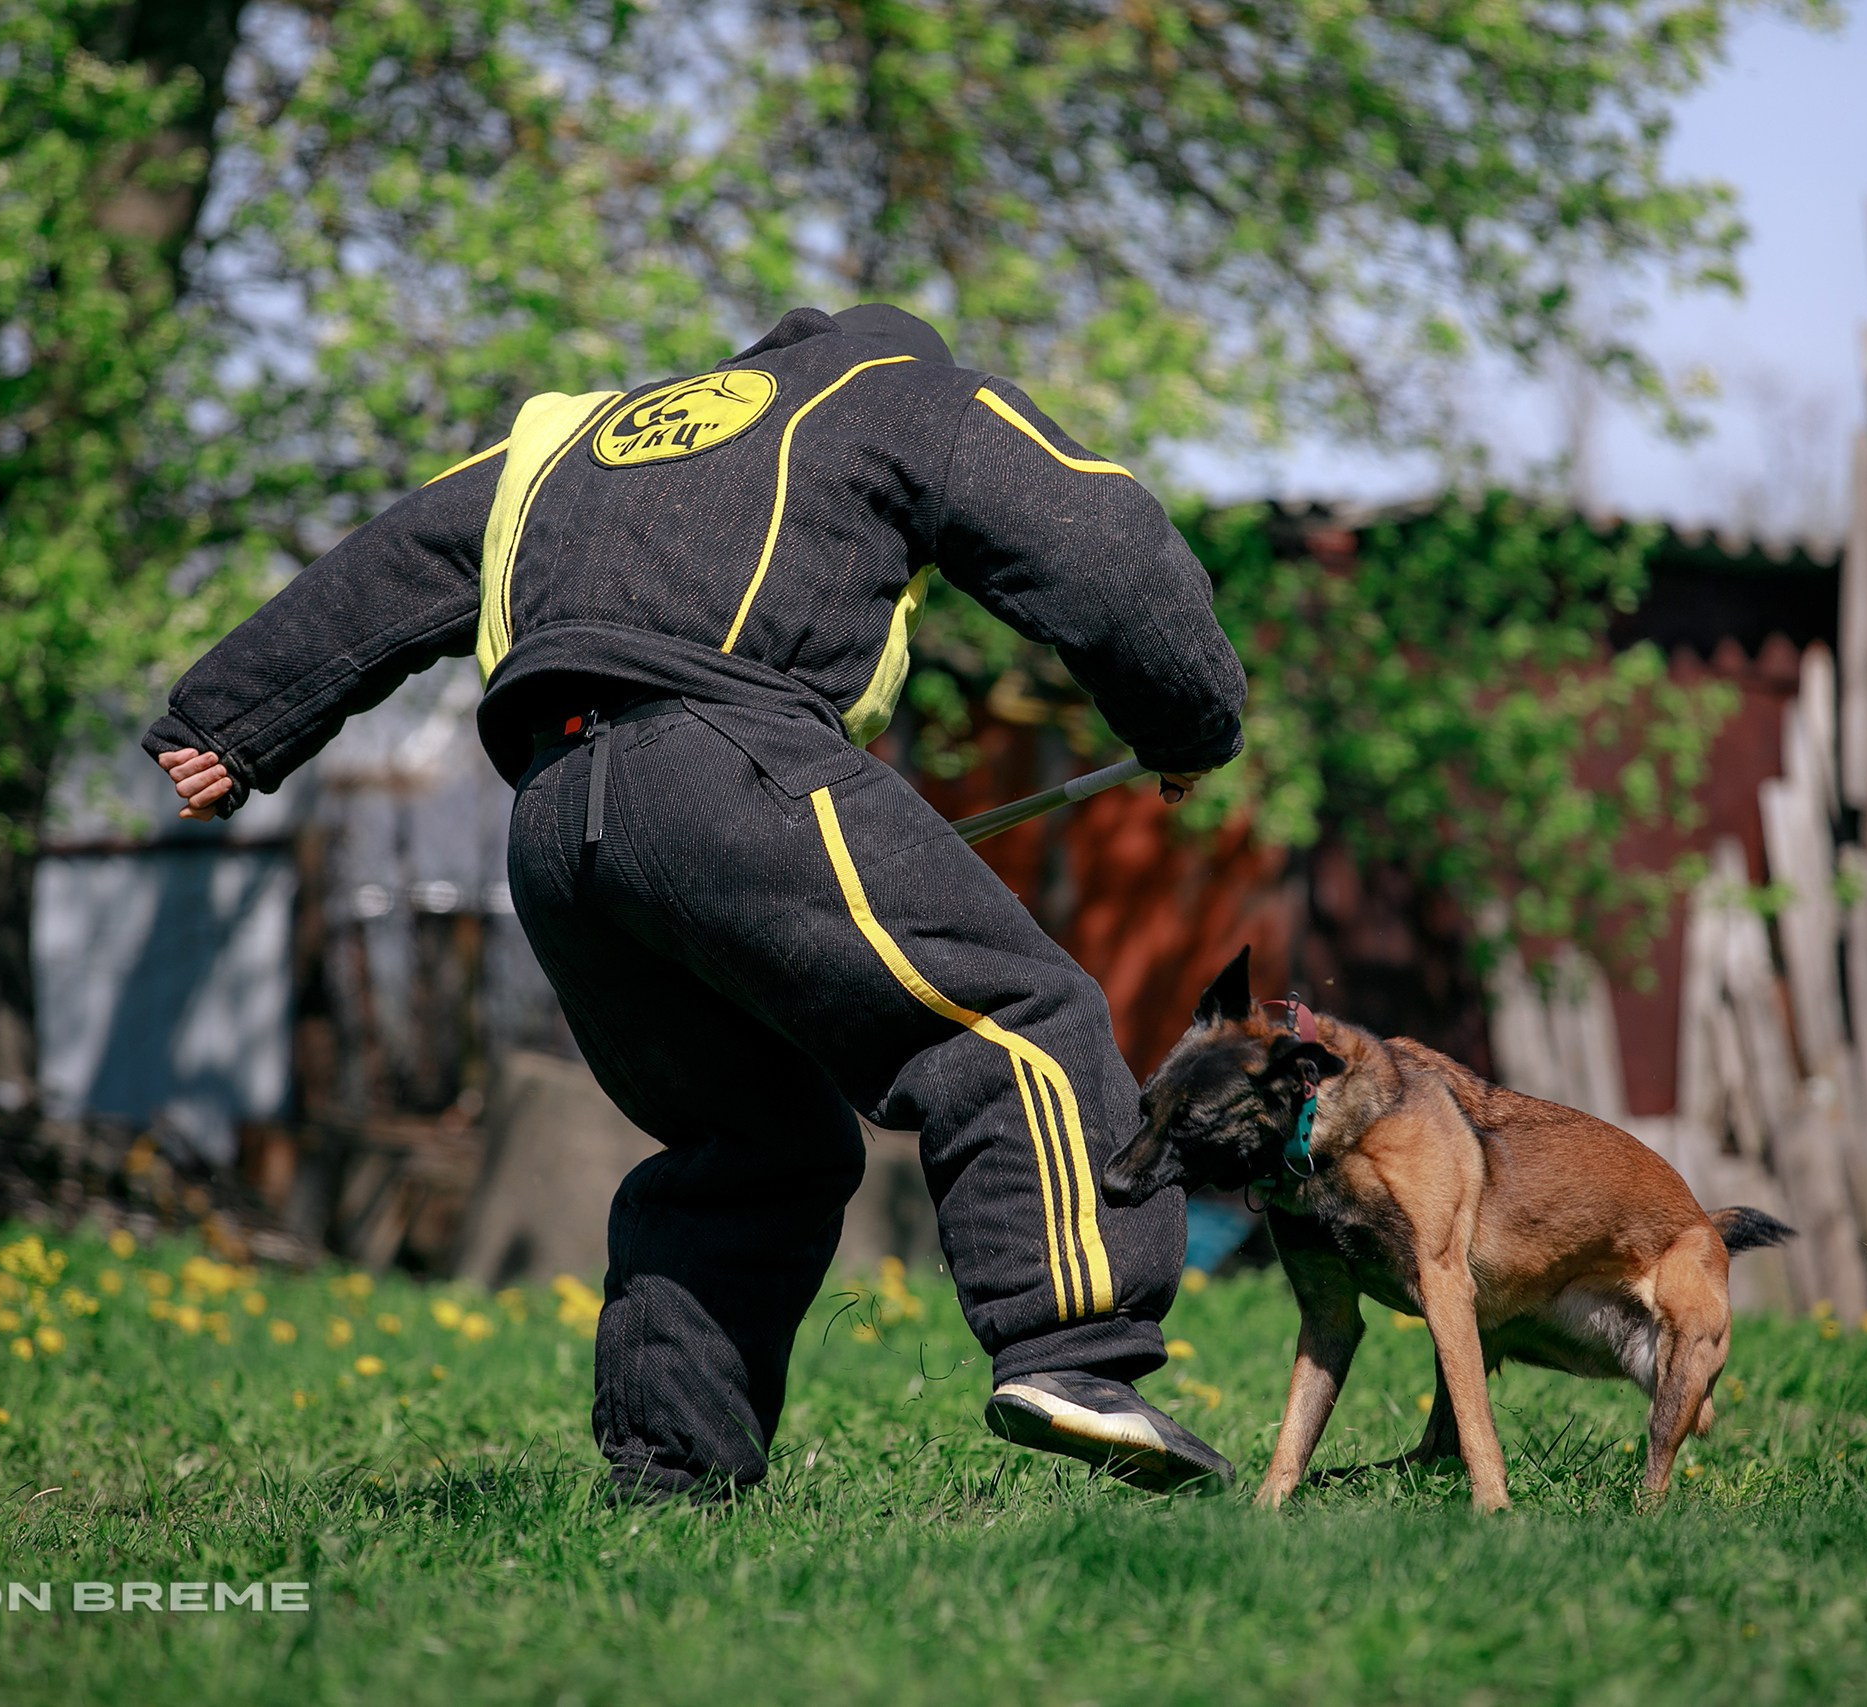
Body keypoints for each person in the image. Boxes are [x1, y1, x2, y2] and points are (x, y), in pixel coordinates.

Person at [144, 304, 1247, 1498]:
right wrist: (1185, 721)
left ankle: (672, 1474)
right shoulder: (898, 392)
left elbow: (395, 558)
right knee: (1008, 1014)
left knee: (747, 1143)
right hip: (730, 754)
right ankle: (1073, 1351)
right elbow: (1097, 536)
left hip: (558, 823)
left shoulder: (571, 438)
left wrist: (230, 724)